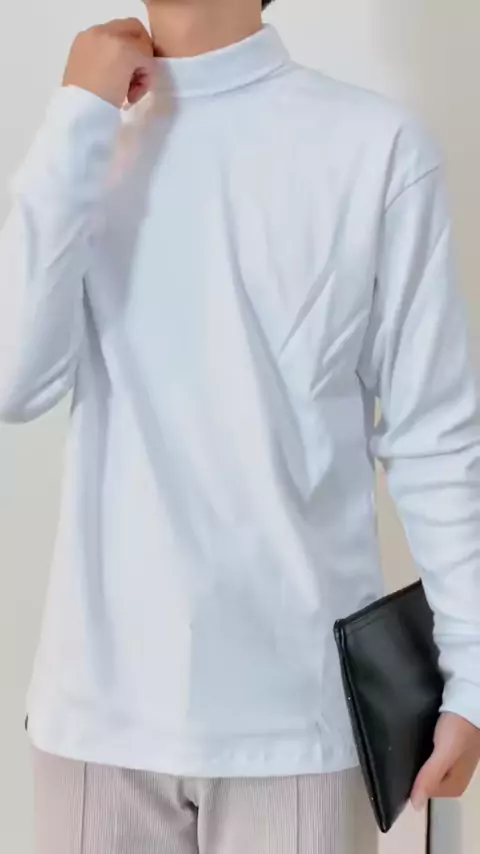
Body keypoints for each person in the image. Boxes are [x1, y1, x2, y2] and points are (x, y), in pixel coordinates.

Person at [1, 0, 479, 851]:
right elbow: (14, 379)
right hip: (95, 723)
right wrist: (76, 114)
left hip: (298, 726)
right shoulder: (89, 133)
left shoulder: (376, 148)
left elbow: (435, 433)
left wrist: (473, 676)